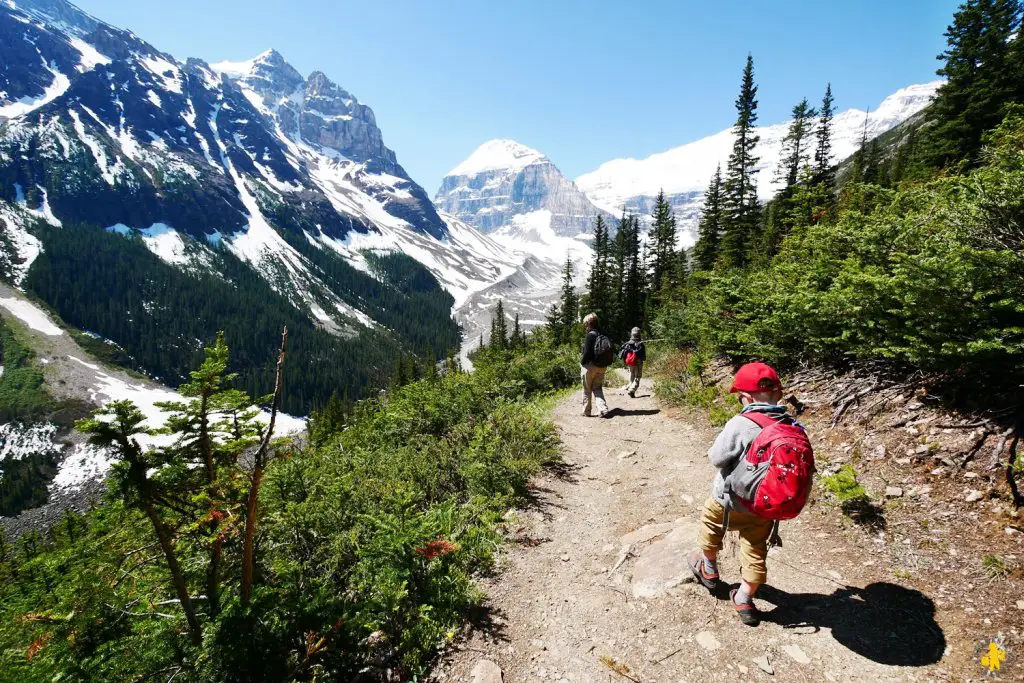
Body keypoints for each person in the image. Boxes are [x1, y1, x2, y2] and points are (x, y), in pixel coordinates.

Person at [688, 362, 788, 626]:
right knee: (755, 548)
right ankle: (744, 596)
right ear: (778, 393)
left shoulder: (741, 423)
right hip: (764, 507)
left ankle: (708, 569)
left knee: (710, 525)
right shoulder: (791, 426)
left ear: (744, 397)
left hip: (730, 501)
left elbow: (717, 458)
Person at [579, 312, 612, 417]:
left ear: (588, 323)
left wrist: (582, 362)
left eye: (585, 324)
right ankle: (603, 409)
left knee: (587, 389)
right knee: (597, 388)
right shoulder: (604, 334)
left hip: (590, 366)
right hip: (602, 366)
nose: (585, 326)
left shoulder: (590, 335)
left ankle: (586, 412)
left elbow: (587, 353)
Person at [618, 327, 646, 398]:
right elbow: (643, 356)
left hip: (630, 362)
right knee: (637, 377)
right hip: (638, 362)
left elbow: (623, 354)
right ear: (639, 334)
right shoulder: (640, 344)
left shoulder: (627, 344)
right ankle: (632, 390)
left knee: (632, 375)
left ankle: (630, 387)